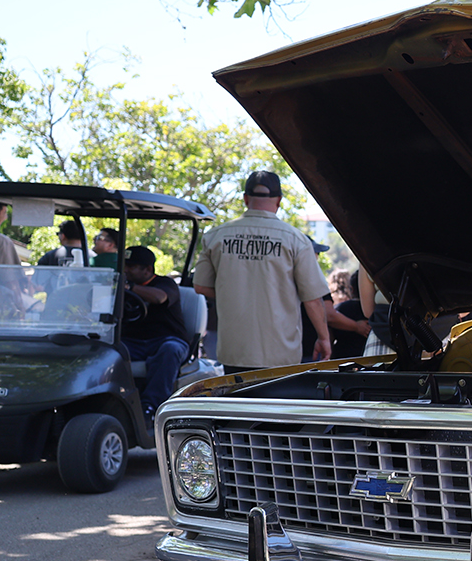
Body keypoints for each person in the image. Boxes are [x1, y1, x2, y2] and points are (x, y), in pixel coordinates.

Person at [191, 170, 331, 373]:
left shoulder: (216, 236)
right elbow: (313, 299)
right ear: (279, 200)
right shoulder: (295, 240)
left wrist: (233, 290)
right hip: (280, 352)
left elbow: (201, 286)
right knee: (276, 404)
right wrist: (324, 338)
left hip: (235, 350)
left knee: (238, 403)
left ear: (246, 198)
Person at [120, 245, 190, 420]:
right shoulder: (120, 286)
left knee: (170, 350)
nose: (125, 270)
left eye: (131, 266)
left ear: (148, 269)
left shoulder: (165, 284)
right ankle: (113, 401)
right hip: (133, 342)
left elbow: (160, 298)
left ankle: (151, 407)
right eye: (124, 265)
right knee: (107, 350)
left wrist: (129, 288)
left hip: (167, 339)